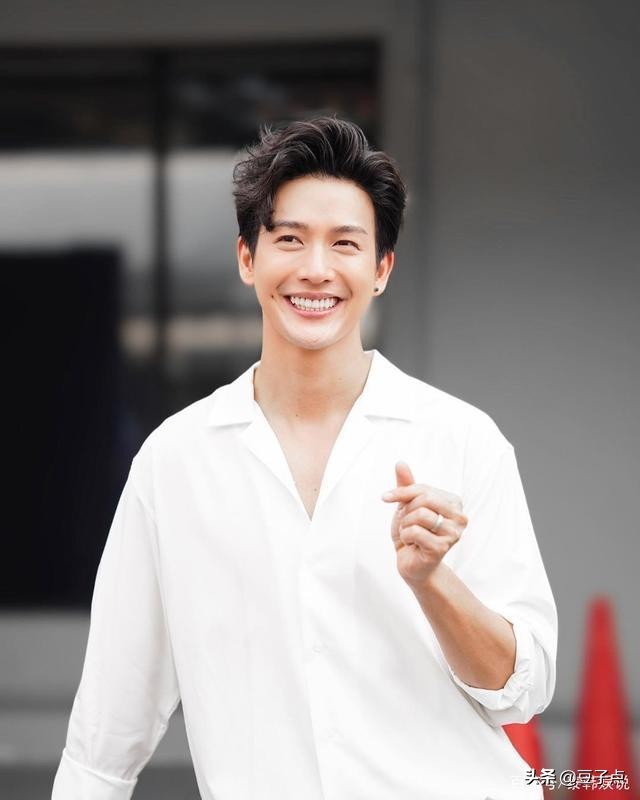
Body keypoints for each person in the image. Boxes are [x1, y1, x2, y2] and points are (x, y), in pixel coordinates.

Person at [52, 116, 557, 800]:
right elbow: (104, 740)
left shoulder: (462, 441)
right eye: (289, 239)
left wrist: (433, 581)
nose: (316, 269)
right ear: (247, 258)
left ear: (381, 270)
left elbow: (521, 689)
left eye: (345, 243)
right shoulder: (175, 462)